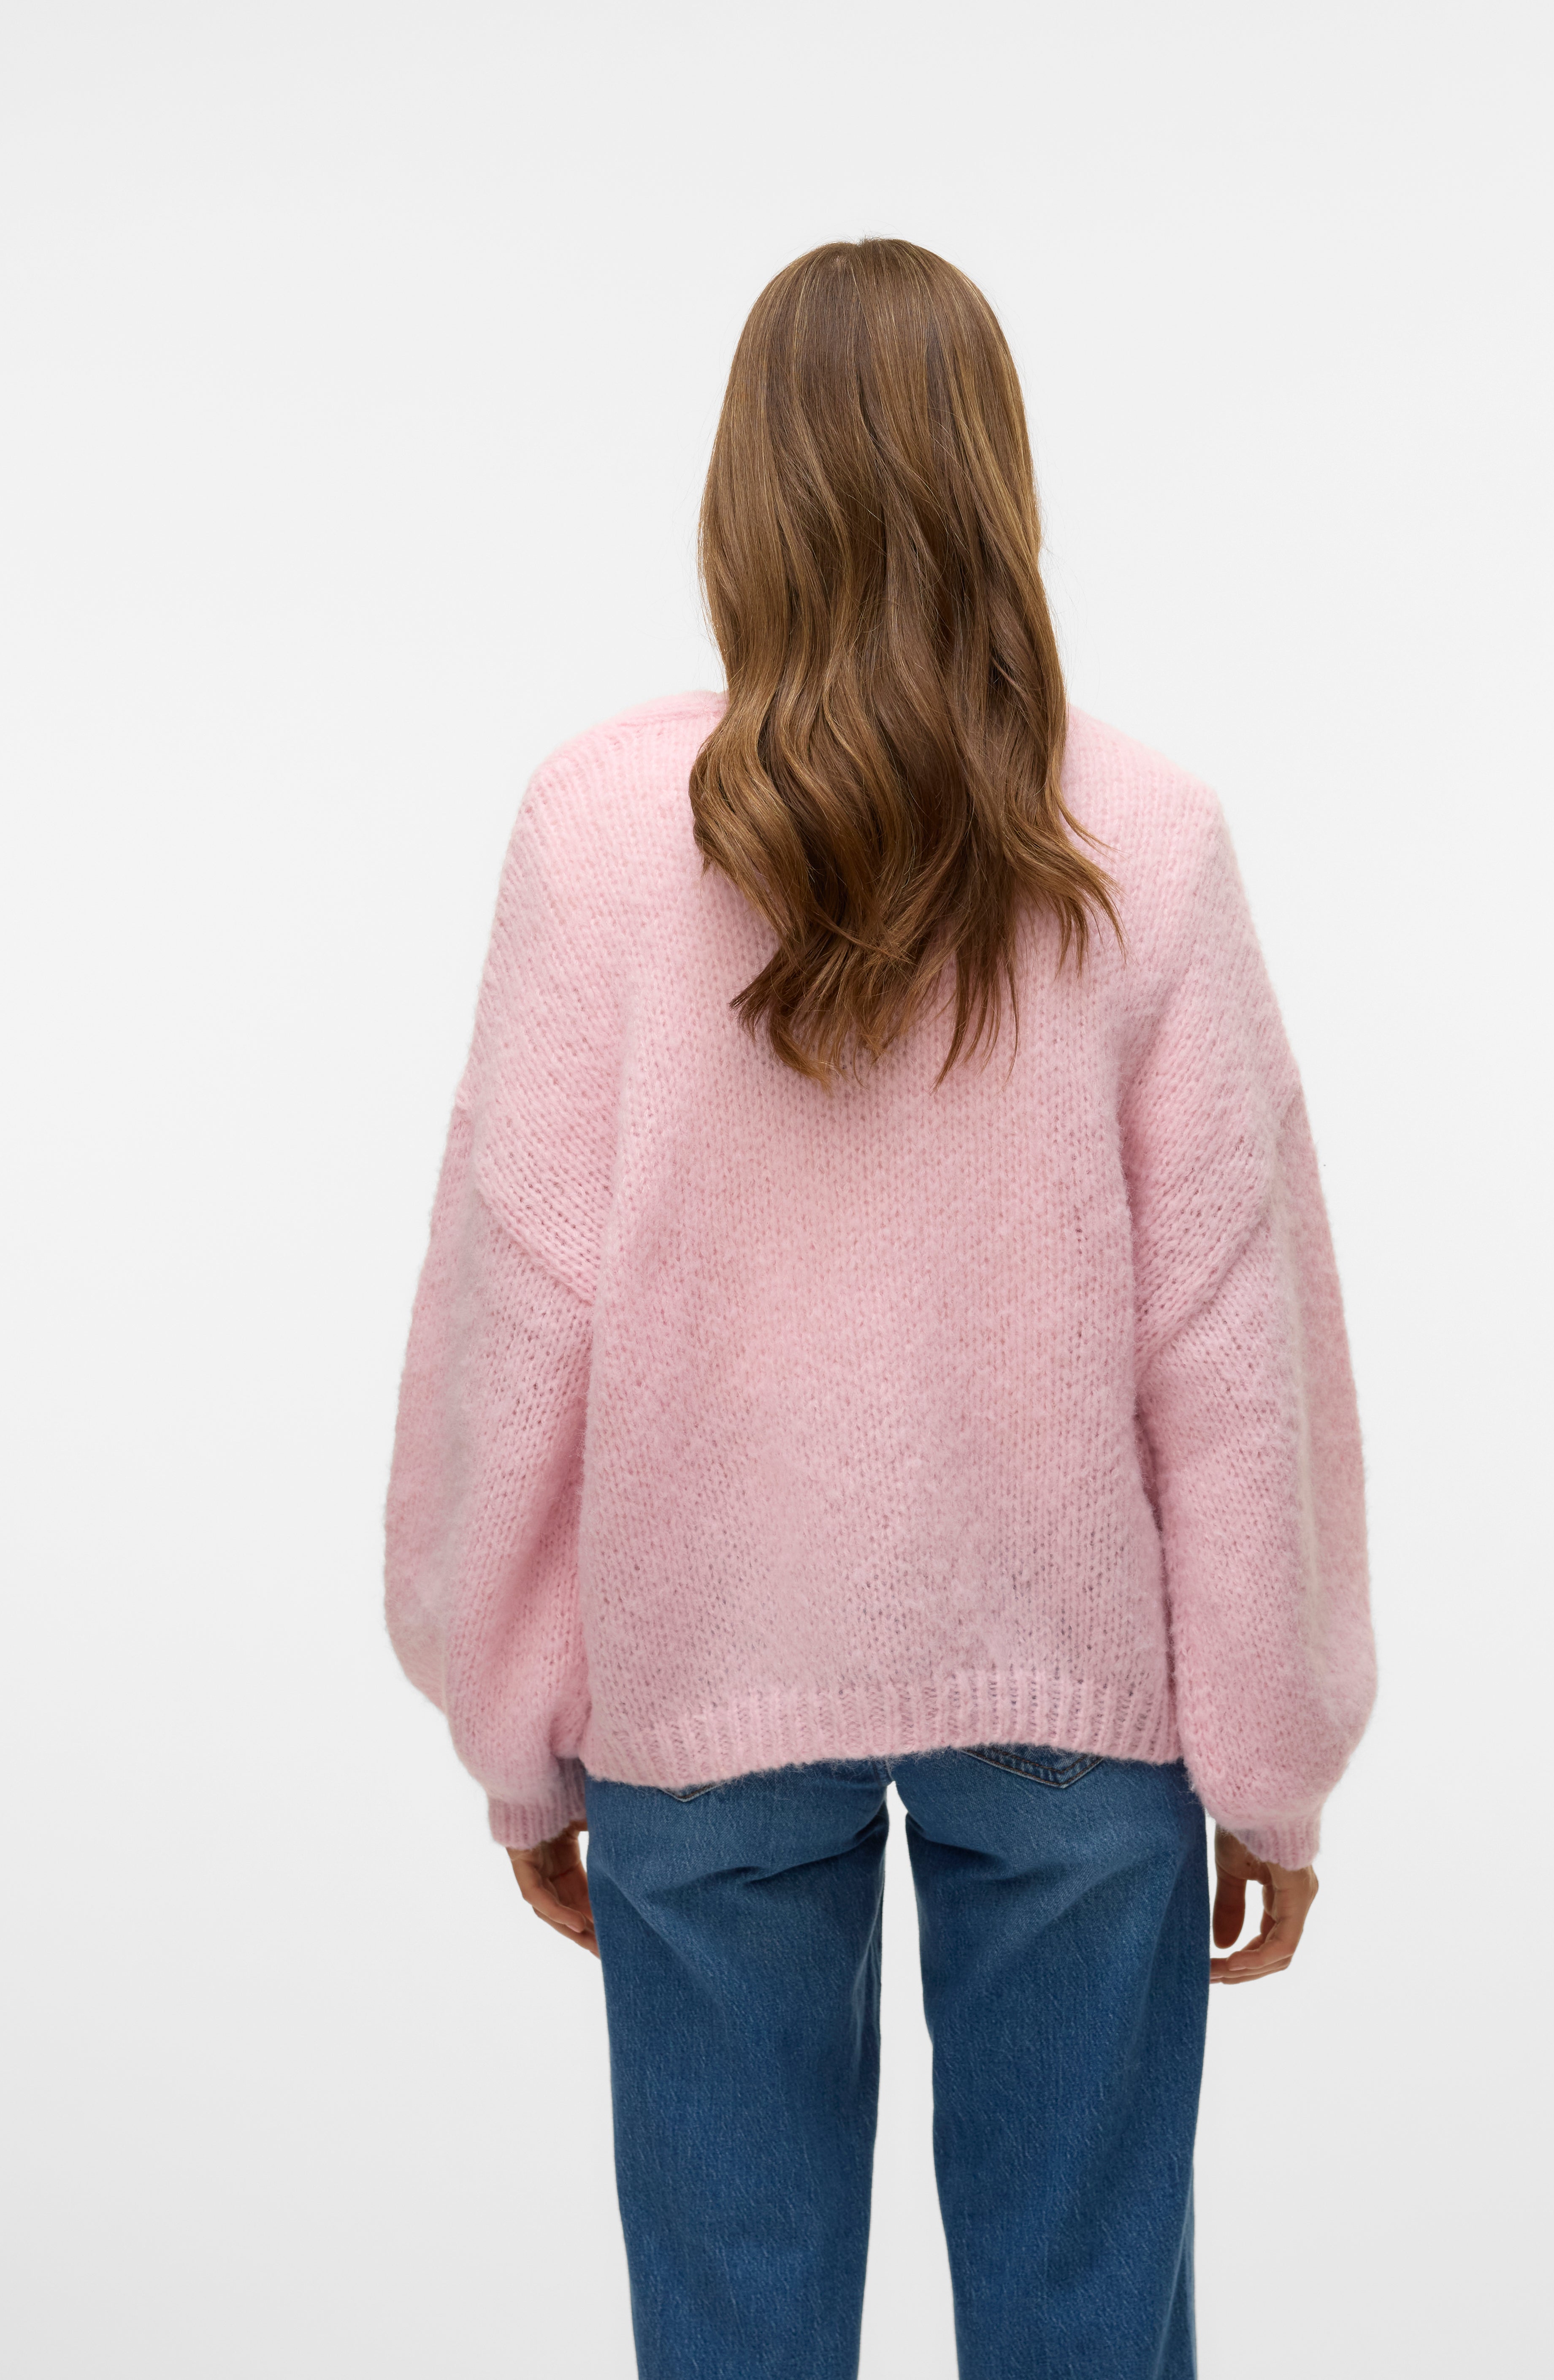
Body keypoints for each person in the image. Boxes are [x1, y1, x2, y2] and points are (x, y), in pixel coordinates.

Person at [384, 236, 1376, 2380]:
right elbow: (1232, 1349)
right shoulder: (1145, 834)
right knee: (1085, 2331)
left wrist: (516, 1730)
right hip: (1074, 1701)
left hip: (701, 1685)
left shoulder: (596, 834)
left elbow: (513, 1311)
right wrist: (1270, 1765)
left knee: (729, 2339)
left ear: (741, 493)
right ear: (996, 482)